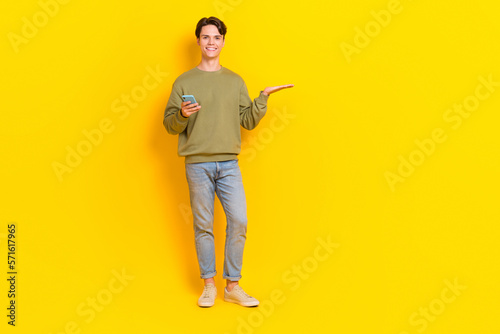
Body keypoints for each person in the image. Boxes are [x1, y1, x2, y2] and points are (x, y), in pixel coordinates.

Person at [163, 16, 293, 308]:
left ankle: (232, 286)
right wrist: (182, 115)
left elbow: (246, 121)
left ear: (223, 41)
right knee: (203, 225)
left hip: (229, 165)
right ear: (198, 41)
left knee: (239, 221)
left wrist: (262, 99)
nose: (211, 42)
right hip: (197, 165)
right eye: (206, 37)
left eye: (216, 37)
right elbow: (169, 125)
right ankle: (208, 284)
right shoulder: (184, 81)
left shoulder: (235, 81)